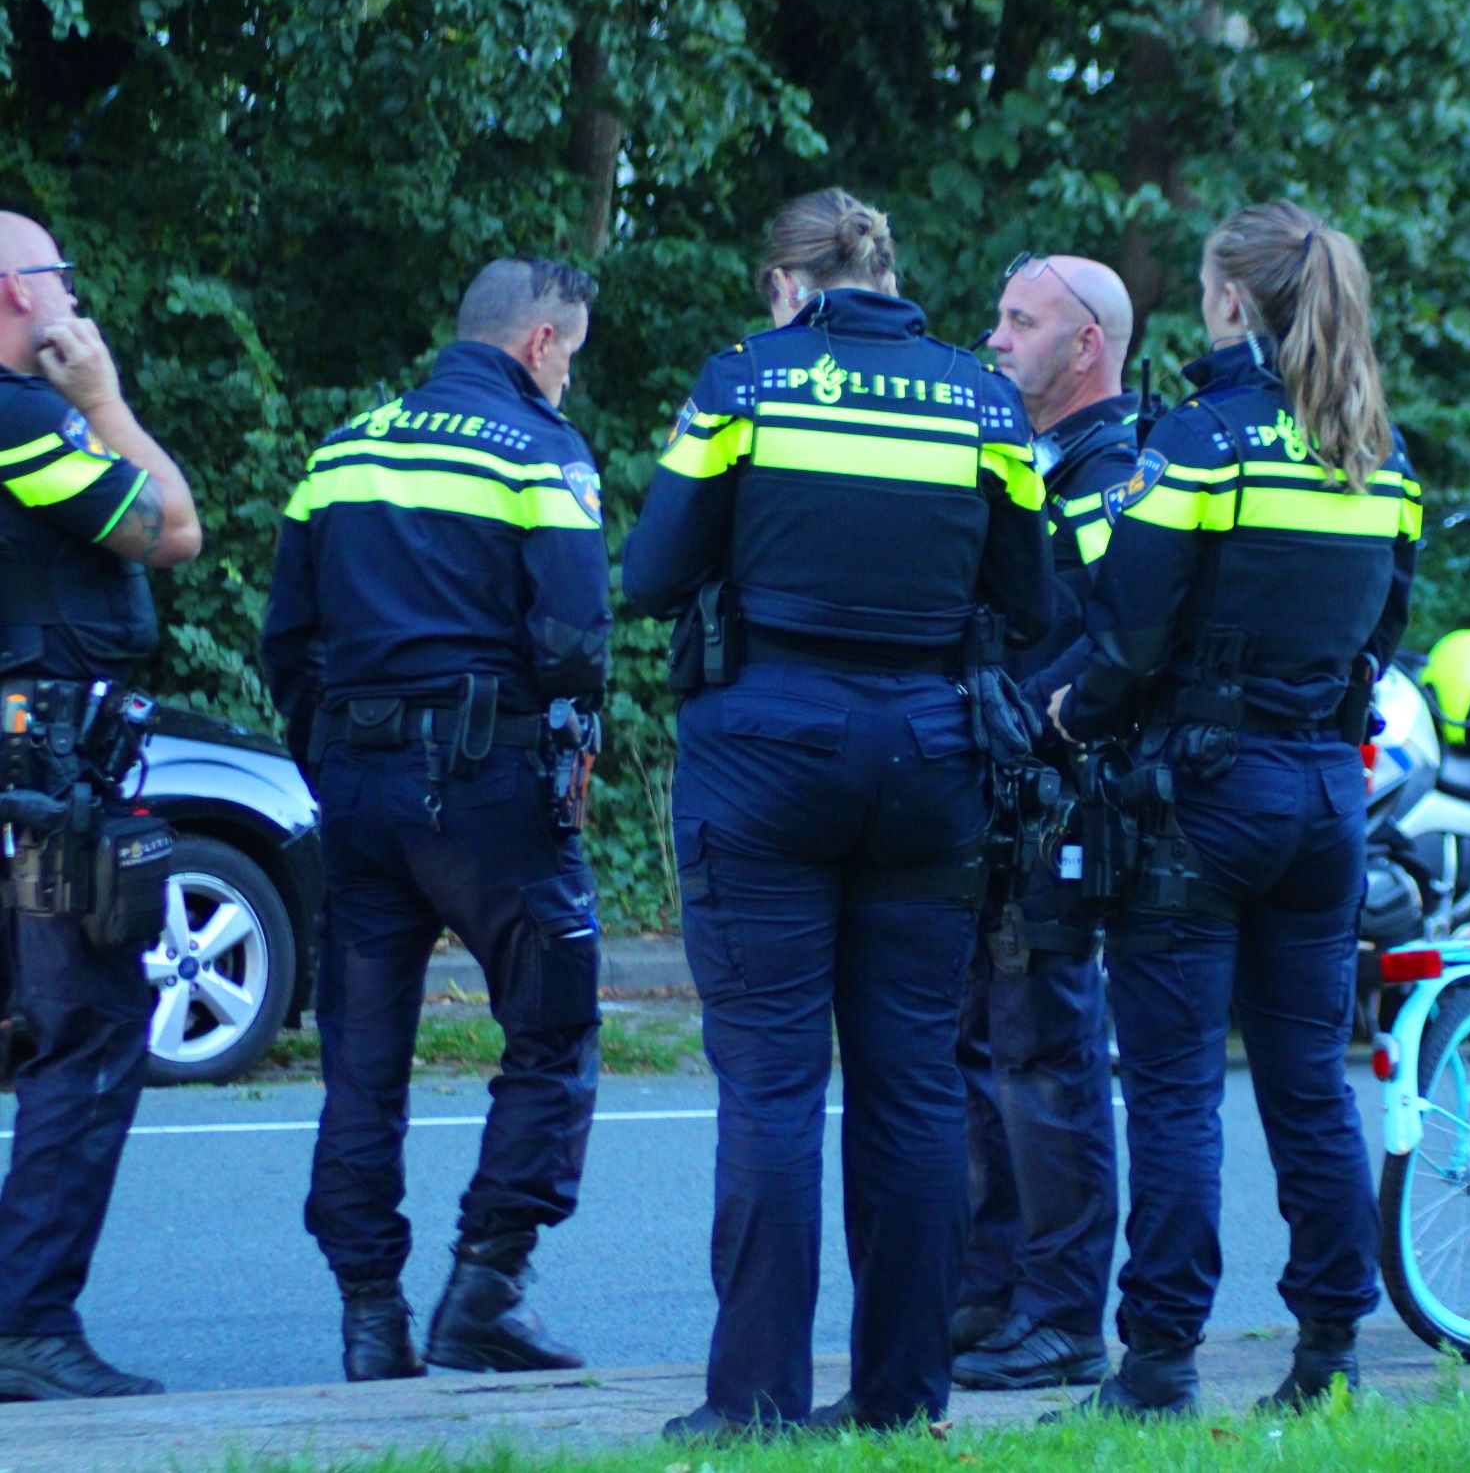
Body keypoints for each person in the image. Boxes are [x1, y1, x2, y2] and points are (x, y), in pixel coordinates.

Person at [623, 189, 1052, 1443]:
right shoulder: (985, 400)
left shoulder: (744, 383)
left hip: (765, 749)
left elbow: (652, 574)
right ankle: (901, 1397)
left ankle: (751, 1399)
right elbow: (1025, 597)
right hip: (930, 755)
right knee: (915, 1082)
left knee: (768, 1083)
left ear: (786, 285)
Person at [1048, 200, 1421, 1417]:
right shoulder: (1386, 457)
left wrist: (1071, 715)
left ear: (1228, 303)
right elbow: (1383, 634)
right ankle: (1328, 1356)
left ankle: (1158, 1361)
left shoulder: (1206, 441)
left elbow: (1129, 621)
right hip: (1326, 795)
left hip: (1202, 797)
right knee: (1310, 1077)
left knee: (1171, 1087)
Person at [261, 258, 610, 1385]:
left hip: (357, 790)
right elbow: (572, 636)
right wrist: (568, 758)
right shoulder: (542, 449)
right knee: (553, 1027)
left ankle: (372, 1317)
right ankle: (486, 1287)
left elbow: (287, 635)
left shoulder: (343, 448)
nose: (570, 379)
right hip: (489, 785)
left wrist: (334, 745)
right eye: (573, 355)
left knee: (363, 1063)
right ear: (541, 347)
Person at [0, 214, 201, 1401]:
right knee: (88, 1027)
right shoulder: (24, 420)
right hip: (51, 779)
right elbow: (169, 527)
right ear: (18, 296)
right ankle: (28, 1322)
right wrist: (110, 401)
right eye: (59, 276)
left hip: (30, 767)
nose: (75, 295)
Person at [952, 254, 1138, 1391]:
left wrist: (1018, 724)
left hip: (1058, 800)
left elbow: (1117, 636)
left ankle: (1065, 1311)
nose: (996, 336)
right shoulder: (1030, 456)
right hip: (995, 796)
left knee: (1048, 1055)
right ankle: (993, 1288)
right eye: (999, 313)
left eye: (1022, 321)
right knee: (984, 1048)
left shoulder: (1117, 471)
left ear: (1086, 345)